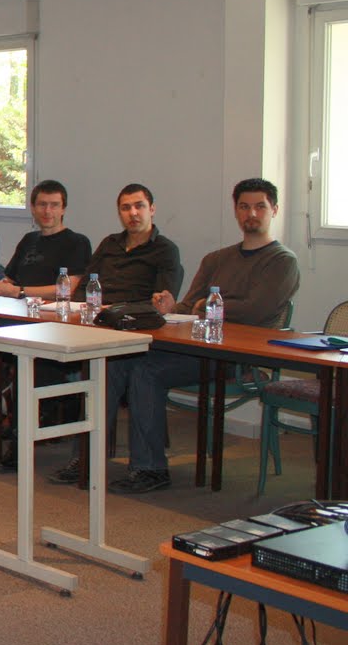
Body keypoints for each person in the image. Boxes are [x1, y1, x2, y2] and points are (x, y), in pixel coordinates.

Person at [102, 178, 299, 494]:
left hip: (235, 357)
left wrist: (200, 306)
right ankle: (87, 457)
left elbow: (256, 311)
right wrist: (171, 306)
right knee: (115, 359)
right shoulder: (216, 259)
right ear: (236, 211)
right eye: (244, 206)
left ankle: (150, 469)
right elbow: (187, 305)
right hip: (195, 348)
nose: (251, 213)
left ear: (274, 210)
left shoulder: (282, 261)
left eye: (260, 206)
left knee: (145, 371)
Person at [44, 183, 185, 485]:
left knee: (116, 369)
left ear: (152, 209)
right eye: (126, 208)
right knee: (97, 367)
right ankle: (85, 458)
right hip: (101, 326)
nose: (133, 213)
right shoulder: (109, 244)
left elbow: (162, 303)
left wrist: (160, 303)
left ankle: (149, 468)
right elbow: (83, 290)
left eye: (139, 206)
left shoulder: (165, 250)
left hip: (139, 333)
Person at [0, 180, 92, 301]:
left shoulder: (77, 242)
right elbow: (9, 279)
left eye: (54, 205)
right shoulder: (28, 239)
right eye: (42, 204)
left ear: (63, 209)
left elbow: (67, 290)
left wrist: (19, 291)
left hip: (52, 308)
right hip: (18, 305)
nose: (47, 211)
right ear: (33, 208)